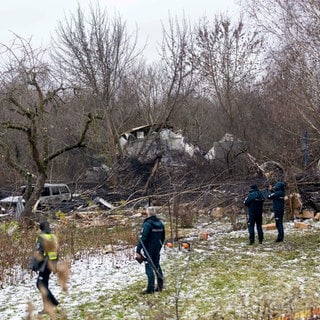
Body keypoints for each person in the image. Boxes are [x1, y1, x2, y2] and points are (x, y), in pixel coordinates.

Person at [31, 221, 59, 315]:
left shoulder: (41, 238)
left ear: (41, 229)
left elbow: (39, 252)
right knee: (43, 284)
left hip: (44, 265)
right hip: (52, 263)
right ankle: (52, 303)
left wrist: (34, 265)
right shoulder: (53, 237)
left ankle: (50, 305)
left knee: (40, 285)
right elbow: (56, 252)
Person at [136, 207, 165, 294]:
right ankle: (160, 286)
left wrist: (138, 250)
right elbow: (163, 237)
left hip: (148, 249)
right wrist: (159, 246)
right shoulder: (161, 224)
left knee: (148, 268)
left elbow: (143, 238)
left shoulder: (147, 225)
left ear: (148, 213)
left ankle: (150, 289)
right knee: (157, 266)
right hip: (157, 248)